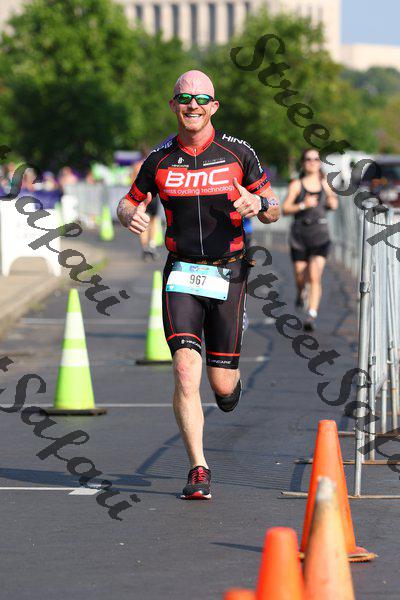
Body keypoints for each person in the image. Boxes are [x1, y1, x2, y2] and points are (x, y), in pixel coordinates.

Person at [117, 70, 280, 500]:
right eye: (184, 98)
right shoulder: (159, 160)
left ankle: (229, 382)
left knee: (222, 387)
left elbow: (274, 209)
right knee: (185, 368)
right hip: (182, 273)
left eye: (201, 99)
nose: (193, 105)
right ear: (173, 105)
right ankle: (198, 468)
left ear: (214, 106)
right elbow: (128, 201)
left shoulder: (238, 152)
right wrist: (127, 214)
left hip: (229, 272)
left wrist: (258, 202)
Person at [282, 148, 338, 331]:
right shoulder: (296, 185)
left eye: (316, 159)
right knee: (300, 277)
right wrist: (303, 204)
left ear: (320, 163)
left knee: (314, 275)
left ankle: (311, 315)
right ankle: (301, 292)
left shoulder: (325, 183)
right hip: (299, 236)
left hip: (320, 236)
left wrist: (331, 201)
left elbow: (334, 203)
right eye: (308, 159)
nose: (312, 162)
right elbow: (285, 209)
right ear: (303, 162)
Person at [131, 147, 161, 261]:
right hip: (153, 196)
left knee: (143, 223)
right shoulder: (153, 164)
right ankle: (152, 246)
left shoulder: (137, 166)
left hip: (141, 197)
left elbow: (133, 183)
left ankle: (145, 248)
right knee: (153, 221)